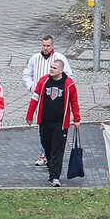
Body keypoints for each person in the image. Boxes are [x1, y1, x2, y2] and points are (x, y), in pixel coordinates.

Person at [25, 59, 81, 187]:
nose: (51, 69)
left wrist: (76, 119)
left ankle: (55, 177)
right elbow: (35, 98)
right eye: (51, 67)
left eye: (54, 68)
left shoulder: (69, 84)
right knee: (47, 147)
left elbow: (74, 102)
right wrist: (30, 115)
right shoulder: (44, 81)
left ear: (61, 70)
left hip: (60, 124)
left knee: (57, 150)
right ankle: (52, 168)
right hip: (44, 122)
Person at [23, 35, 73, 166]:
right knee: (42, 126)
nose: (45, 48)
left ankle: (49, 154)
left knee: (54, 129)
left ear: (52, 46)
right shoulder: (35, 58)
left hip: (56, 98)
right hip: (40, 98)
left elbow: (69, 76)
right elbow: (27, 73)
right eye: (44, 45)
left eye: (48, 46)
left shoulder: (60, 58)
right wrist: (31, 87)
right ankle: (43, 153)